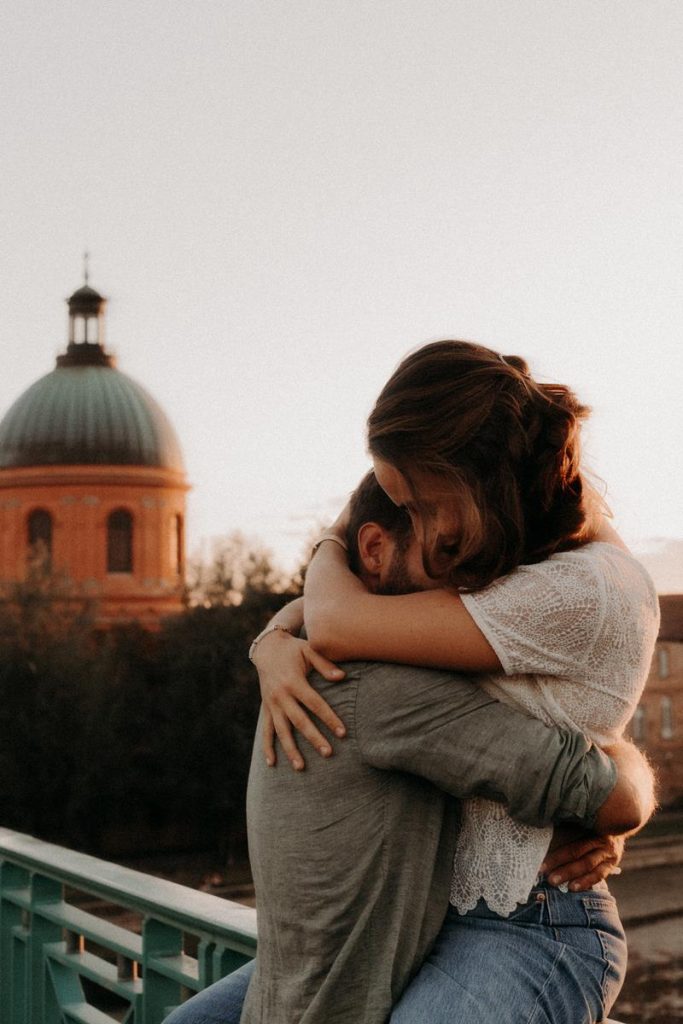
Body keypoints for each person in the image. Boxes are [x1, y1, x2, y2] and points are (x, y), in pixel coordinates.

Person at [251, 341, 659, 1023]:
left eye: (412, 500)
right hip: (426, 926)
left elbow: (337, 624)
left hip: (532, 923)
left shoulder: (574, 586)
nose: (412, 524)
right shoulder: (507, 562)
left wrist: (319, 569)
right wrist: (270, 642)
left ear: (462, 478)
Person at [163, 472, 653, 1024]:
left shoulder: (330, 657)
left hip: (535, 917)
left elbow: (586, 761)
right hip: (423, 933)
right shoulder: (369, 677)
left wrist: (277, 631)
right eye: (443, 553)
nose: (461, 584)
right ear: (372, 548)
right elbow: (608, 794)